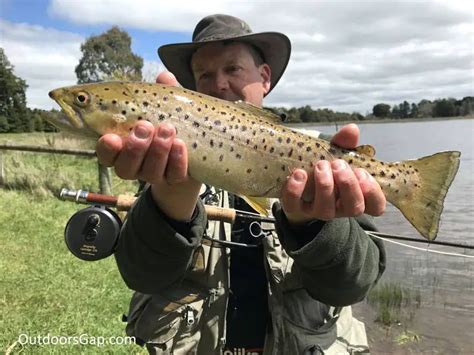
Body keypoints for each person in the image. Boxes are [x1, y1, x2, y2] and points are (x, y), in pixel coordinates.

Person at [96, 14, 386, 355]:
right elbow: (142, 275)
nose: (218, 84)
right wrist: (171, 199)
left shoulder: (322, 158)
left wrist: (314, 225)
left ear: (264, 78)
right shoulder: (168, 165)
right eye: (204, 74)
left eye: (232, 69)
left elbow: (355, 285)